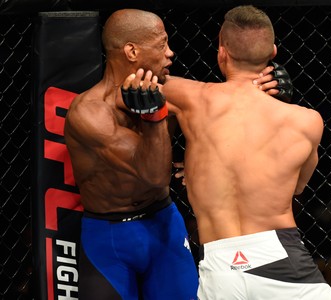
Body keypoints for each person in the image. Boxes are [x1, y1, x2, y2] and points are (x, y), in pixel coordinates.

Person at [64, 8, 288, 300]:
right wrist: (155, 117)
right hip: (110, 238)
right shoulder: (89, 112)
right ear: (132, 51)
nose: (170, 53)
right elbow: (154, 177)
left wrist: (271, 91)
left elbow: (230, 108)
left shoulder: (169, 89)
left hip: (163, 223)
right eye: (161, 45)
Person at [159, 5, 331, 299]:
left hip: (219, 263)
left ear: (222, 52)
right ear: (274, 53)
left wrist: (202, 164)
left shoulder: (190, 97)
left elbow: (133, 84)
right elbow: (297, 187)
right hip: (281, 256)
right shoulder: (307, 120)